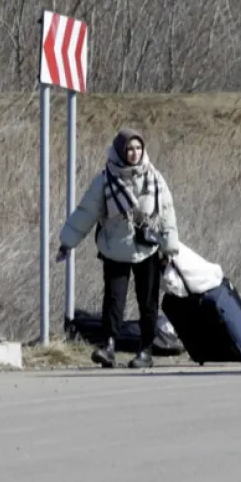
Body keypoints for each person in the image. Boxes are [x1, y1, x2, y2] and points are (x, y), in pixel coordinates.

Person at [57, 128, 180, 369]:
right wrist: (67, 243)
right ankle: (109, 346)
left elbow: (166, 214)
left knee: (148, 302)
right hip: (114, 247)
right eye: (129, 149)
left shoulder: (154, 178)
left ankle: (145, 350)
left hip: (148, 249)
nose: (134, 154)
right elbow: (86, 212)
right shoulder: (106, 179)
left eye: (137, 149)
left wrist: (169, 249)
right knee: (113, 300)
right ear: (119, 151)